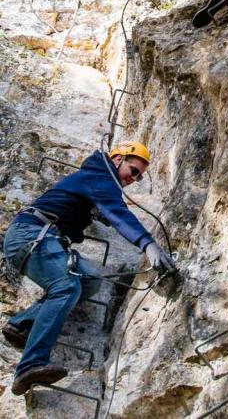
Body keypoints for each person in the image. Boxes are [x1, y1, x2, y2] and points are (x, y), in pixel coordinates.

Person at [2, 141, 175, 396]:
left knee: (90, 279)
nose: (133, 179)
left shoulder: (95, 178)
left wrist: (99, 212)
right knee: (66, 286)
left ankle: (21, 324)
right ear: (118, 159)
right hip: (31, 235)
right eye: (134, 170)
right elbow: (118, 215)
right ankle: (30, 365)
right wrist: (148, 244)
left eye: (139, 177)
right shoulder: (100, 177)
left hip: (42, 238)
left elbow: (102, 209)